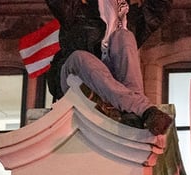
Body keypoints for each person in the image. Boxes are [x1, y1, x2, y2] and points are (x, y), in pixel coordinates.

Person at [45, 0, 173, 135]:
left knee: (125, 35)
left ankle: (131, 113)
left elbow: (159, 8)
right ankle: (143, 109)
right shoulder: (76, 12)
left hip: (112, 86)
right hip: (74, 76)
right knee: (80, 57)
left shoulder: (131, 18)